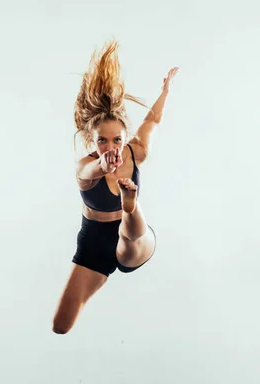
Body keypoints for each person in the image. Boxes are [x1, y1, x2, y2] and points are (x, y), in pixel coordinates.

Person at [52, 39, 179, 334]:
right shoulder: (85, 167)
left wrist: (165, 92)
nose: (111, 147)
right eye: (102, 140)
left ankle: (129, 206)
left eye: (117, 139)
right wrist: (103, 166)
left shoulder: (136, 152)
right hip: (94, 242)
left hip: (133, 237)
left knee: (129, 237)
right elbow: (91, 169)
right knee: (60, 326)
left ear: (125, 138)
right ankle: (129, 206)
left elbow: (153, 119)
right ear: (91, 142)